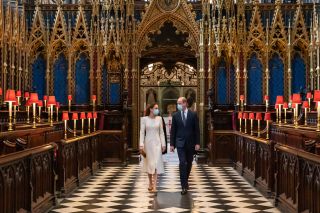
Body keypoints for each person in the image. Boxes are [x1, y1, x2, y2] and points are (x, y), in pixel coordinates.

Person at [170, 97, 200, 195]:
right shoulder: (175, 115)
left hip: (191, 143)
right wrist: (172, 144)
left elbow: (197, 130)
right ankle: (183, 186)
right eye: (177, 103)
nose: (178, 105)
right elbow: (173, 131)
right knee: (182, 162)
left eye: (179, 103)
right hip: (180, 143)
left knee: (189, 163)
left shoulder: (193, 114)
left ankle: (185, 181)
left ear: (185, 103)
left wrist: (197, 143)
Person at [140, 103, 166, 193]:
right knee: (149, 164)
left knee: (155, 164)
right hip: (148, 144)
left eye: (157, 108)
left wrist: (163, 144)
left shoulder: (159, 119)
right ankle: (150, 183)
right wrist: (141, 144)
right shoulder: (144, 119)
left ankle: (155, 186)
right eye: (156, 108)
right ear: (151, 109)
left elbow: (161, 132)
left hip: (157, 144)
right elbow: (142, 133)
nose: (157, 110)